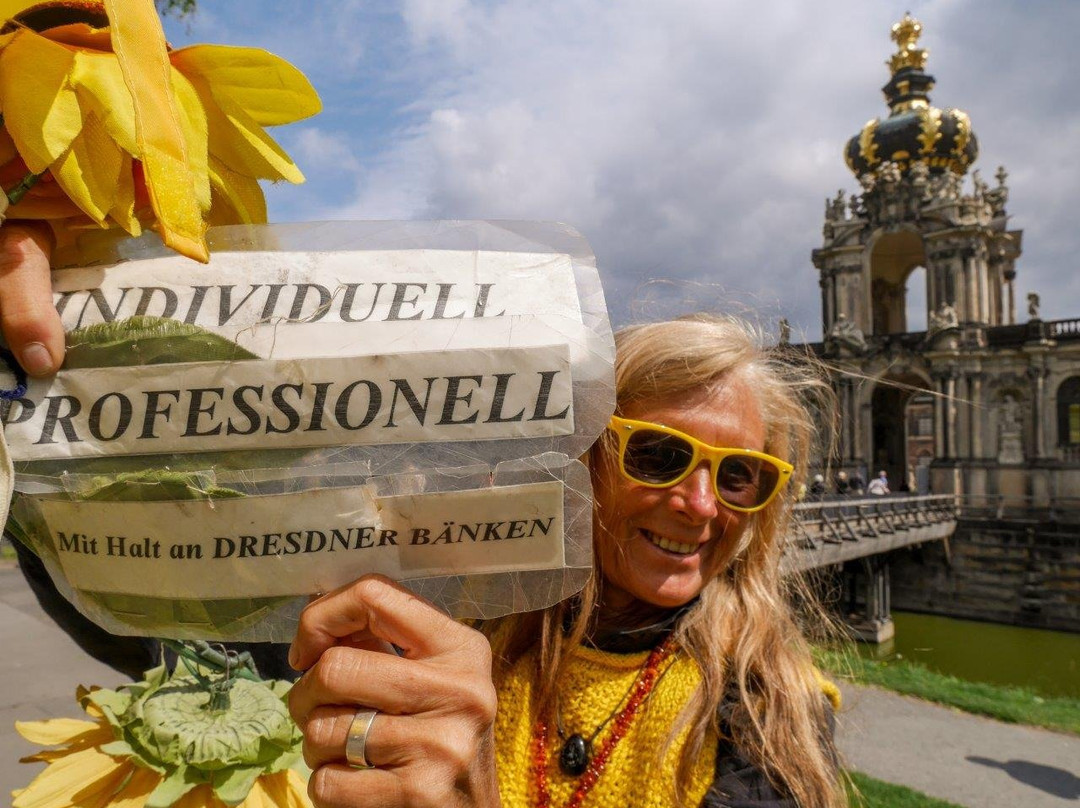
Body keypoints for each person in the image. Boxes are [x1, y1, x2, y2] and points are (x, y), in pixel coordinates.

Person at [2, 232, 844, 807]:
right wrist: (45, 365)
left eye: (743, 477)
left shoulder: (769, 709)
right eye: (658, 456)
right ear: (580, 452)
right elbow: (159, 613)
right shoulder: (432, 607)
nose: (702, 504)